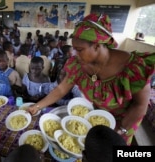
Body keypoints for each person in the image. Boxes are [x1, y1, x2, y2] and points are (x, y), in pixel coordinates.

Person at [28, 13, 155, 145]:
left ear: (96, 45)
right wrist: (37, 106)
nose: (74, 54)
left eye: (79, 49)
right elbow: (61, 89)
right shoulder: (78, 64)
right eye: (74, 49)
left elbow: (140, 105)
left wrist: (119, 130)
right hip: (95, 119)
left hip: (124, 123)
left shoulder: (132, 68)